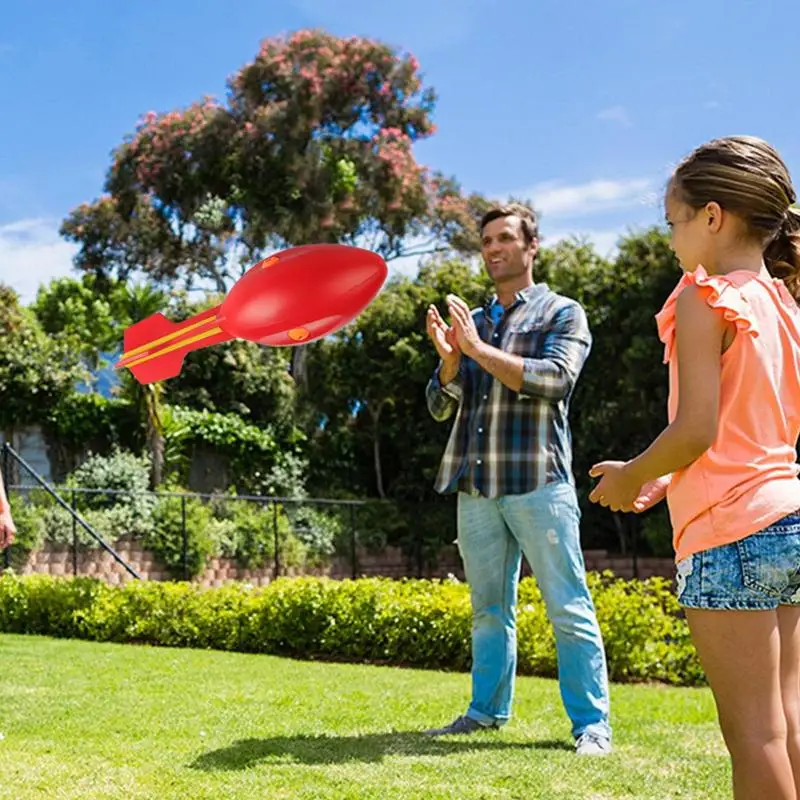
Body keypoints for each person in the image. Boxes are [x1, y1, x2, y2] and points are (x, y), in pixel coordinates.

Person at [589, 135, 800, 799]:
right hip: (788, 517)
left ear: (713, 217)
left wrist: (629, 475)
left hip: (729, 536)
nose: (672, 239)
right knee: (791, 722)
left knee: (755, 737)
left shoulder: (701, 297)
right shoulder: (785, 305)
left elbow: (698, 428)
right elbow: (749, 428)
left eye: (673, 222)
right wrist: (666, 472)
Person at [423, 203, 612, 756]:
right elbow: (441, 405)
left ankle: (592, 725)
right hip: (477, 489)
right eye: (486, 241)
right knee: (488, 610)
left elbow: (555, 381)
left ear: (532, 247)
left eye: (505, 238)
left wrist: (478, 351)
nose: (494, 248)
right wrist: (451, 362)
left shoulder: (562, 313)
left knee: (567, 605)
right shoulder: (472, 323)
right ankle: (485, 712)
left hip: (538, 483)